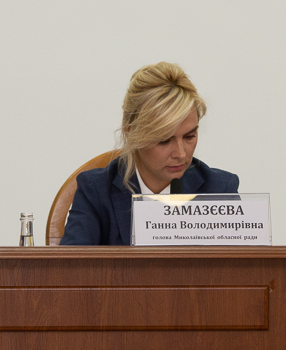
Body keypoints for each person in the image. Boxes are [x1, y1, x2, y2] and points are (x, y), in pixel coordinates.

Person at [61, 62, 239, 245]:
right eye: (164, 140)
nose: (181, 154)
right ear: (131, 133)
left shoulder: (220, 190)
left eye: (190, 136)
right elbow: (72, 262)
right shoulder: (95, 191)